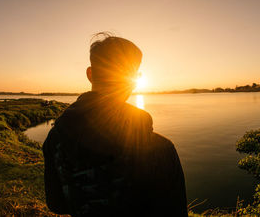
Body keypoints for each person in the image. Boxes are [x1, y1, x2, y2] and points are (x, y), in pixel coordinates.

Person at [43, 33, 187, 217]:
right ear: (134, 81)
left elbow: (56, 204)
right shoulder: (159, 149)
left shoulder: (55, 139)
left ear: (90, 74)